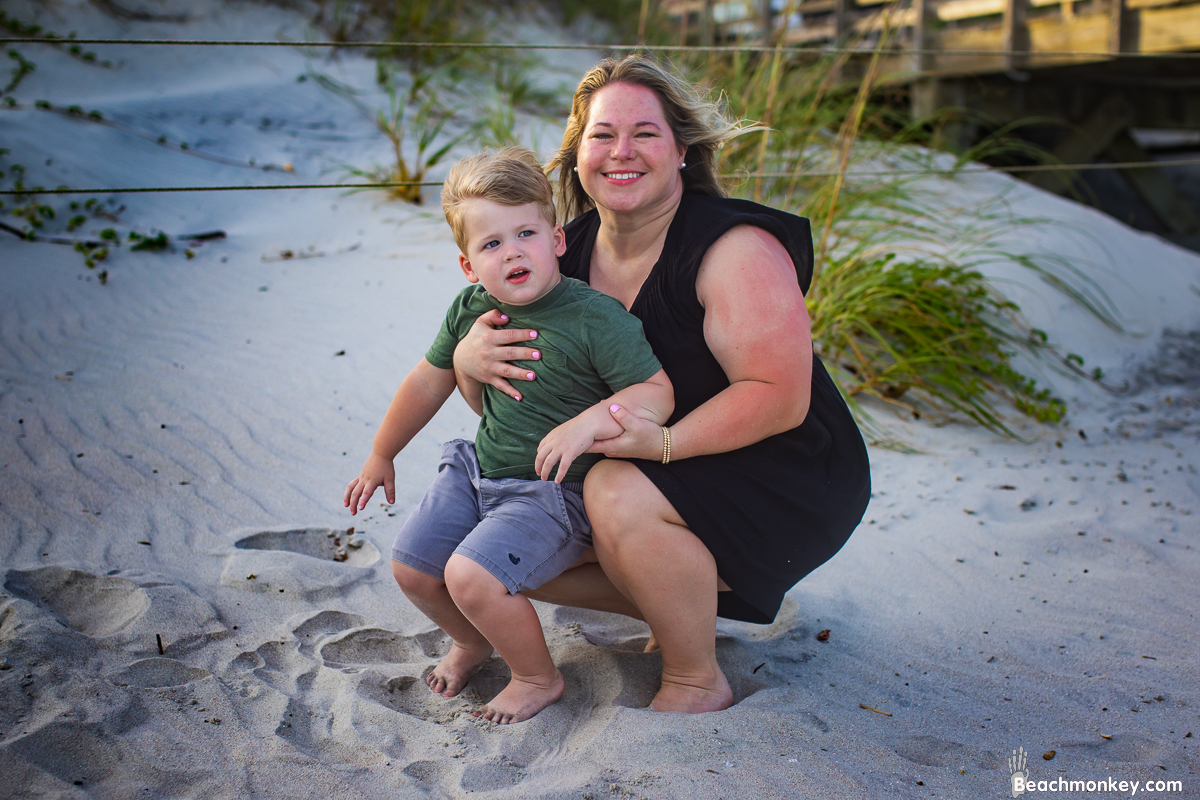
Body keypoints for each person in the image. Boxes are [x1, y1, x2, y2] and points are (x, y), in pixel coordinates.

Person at [451, 56, 872, 714]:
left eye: (645, 133)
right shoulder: (563, 252)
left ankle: (696, 677)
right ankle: (675, 594)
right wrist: (469, 363)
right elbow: (513, 402)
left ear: (681, 151)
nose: (622, 152)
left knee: (610, 489)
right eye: (602, 134)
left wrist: (664, 445)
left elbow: (779, 396)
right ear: (578, 154)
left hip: (782, 472)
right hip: (658, 460)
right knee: (504, 535)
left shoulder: (732, 249)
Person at [343, 147, 674, 724]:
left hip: (554, 493)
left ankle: (536, 677)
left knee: (471, 576)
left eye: (526, 232)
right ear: (469, 265)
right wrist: (381, 452)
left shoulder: (595, 316)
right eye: (491, 244)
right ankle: (473, 642)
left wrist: (593, 420)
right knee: (414, 566)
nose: (512, 250)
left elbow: (657, 393)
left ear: (557, 241)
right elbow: (428, 381)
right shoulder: (472, 309)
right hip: (480, 471)